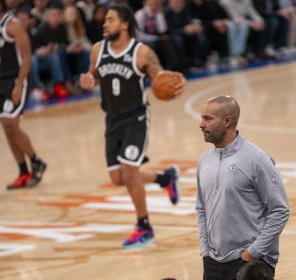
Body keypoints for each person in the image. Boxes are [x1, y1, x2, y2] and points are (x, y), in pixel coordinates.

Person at [79, 4, 186, 249]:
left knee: (129, 170)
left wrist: (172, 81)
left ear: (125, 24)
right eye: (105, 20)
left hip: (136, 118)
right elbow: (93, 74)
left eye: (111, 20)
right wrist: (88, 80)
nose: (105, 24)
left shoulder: (142, 53)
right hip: (112, 119)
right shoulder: (97, 50)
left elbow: (159, 76)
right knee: (118, 178)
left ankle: (144, 226)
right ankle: (164, 178)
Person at [196, 96, 290, 280]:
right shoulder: (204, 161)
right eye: (202, 118)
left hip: (249, 263)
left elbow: (280, 210)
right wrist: (205, 250)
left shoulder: (257, 159)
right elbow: (201, 209)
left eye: (208, 119)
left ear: (227, 121)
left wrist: (252, 253)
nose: (201, 124)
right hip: (213, 262)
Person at [0, 0, 47, 189]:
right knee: (7, 128)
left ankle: (36, 161)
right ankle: (23, 171)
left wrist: (19, 84)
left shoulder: (13, 25)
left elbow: (27, 57)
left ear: (1, 5)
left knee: (11, 123)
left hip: (16, 79)